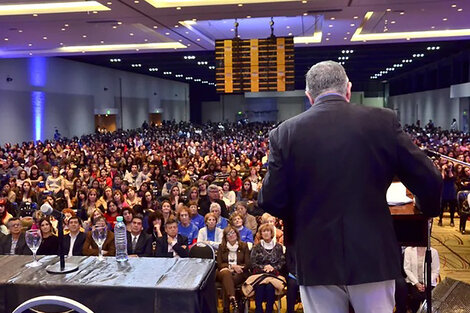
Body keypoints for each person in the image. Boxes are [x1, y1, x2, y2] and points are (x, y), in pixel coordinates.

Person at [258, 60, 442, 312]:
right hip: (372, 257)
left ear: (309, 96)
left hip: (315, 259)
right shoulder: (382, 121)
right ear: (348, 89)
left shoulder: (285, 133)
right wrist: (423, 209)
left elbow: (270, 200)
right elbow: (429, 178)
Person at [250, 224, 286, 313]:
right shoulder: (256, 247)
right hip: (260, 274)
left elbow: (282, 262)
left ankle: (269, 309)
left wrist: (272, 268)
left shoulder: (278, 247)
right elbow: (253, 263)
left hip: (274, 274)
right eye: (263, 231)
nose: (266, 233)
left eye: (268, 231)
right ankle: (258, 309)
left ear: (271, 233)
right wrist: (264, 267)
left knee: (270, 287)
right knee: (260, 286)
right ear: (261, 234)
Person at [216, 225, 250, 313]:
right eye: (228, 234)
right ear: (225, 237)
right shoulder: (221, 247)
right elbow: (219, 264)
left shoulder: (244, 246)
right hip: (224, 272)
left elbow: (247, 264)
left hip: (239, 273)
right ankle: (233, 299)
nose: (231, 235)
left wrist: (238, 267)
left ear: (237, 234)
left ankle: (226, 308)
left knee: (226, 281)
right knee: (226, 274)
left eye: (233, 233)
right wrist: (232, 267)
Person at [403, 246, 440, 312]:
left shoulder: (433, 252)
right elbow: (407, 269)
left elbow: (435, 271)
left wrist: (426, 282)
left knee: (428, 300)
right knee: (415, 298)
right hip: (413, 281)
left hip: (429, 282)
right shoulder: (408, 250)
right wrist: (417, 283)